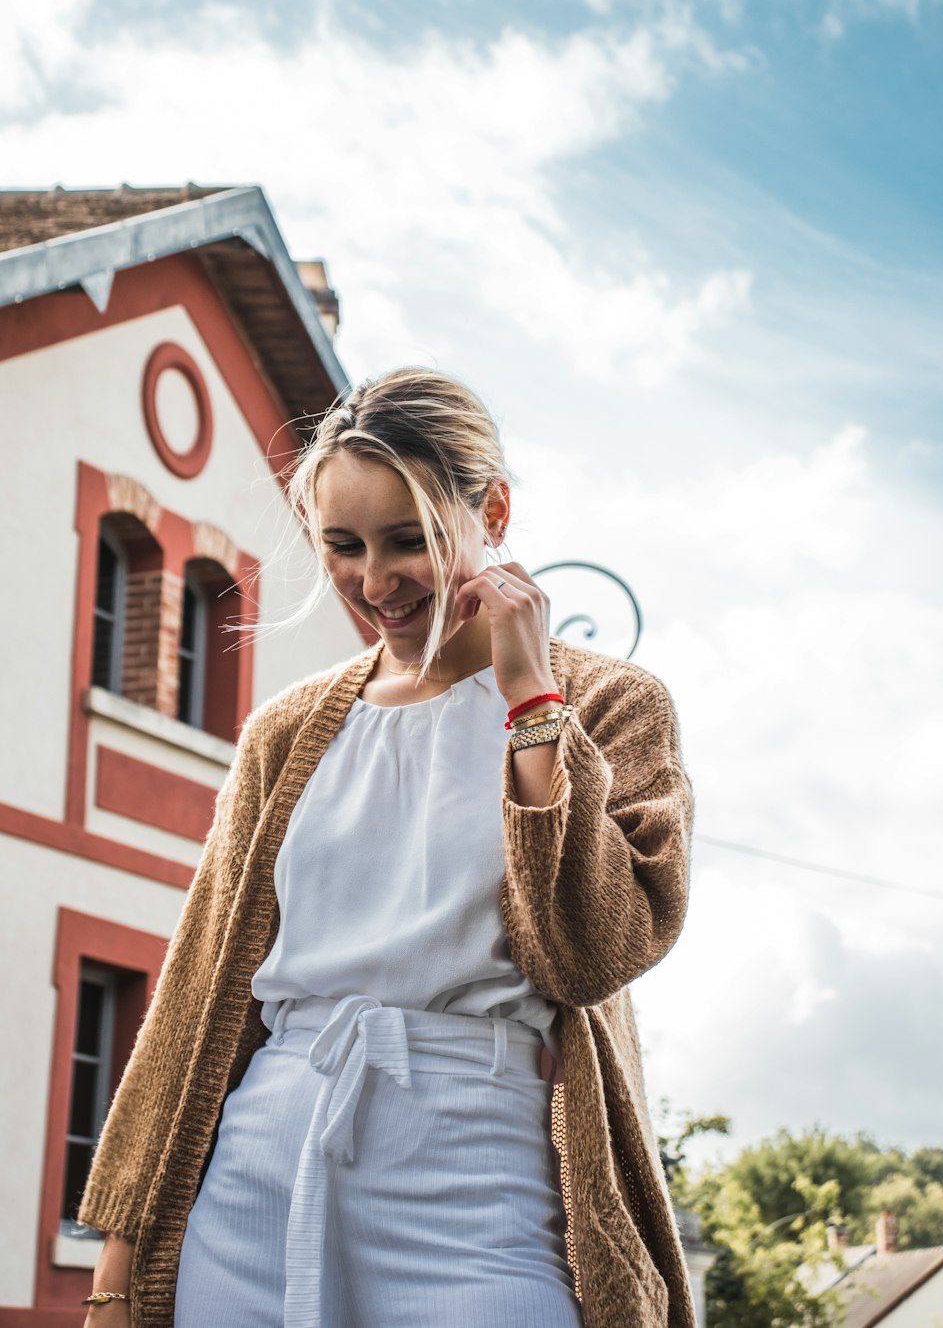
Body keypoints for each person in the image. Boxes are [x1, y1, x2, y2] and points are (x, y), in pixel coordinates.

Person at [77, 367, 697, 1328]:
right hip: (259, 1165)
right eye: (344, 546)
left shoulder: (614, 705)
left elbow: (589, 952)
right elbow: (195, 1001)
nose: (374, 582)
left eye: (409, 541)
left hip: (482, 1177)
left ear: (491, 509)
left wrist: (534, 704)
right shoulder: (288, 733)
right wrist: (116, 1274)